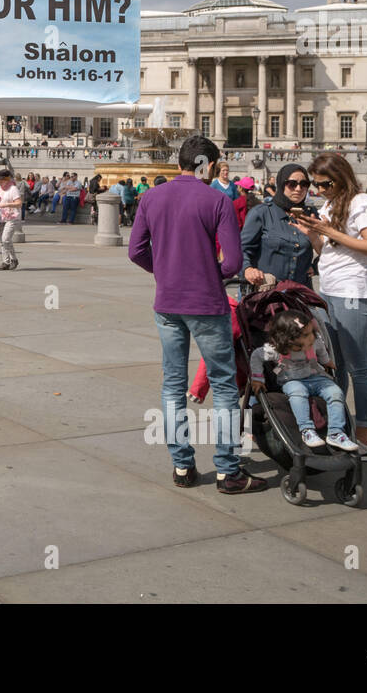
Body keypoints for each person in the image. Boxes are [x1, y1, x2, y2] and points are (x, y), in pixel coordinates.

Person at [127, 134, 265, 494]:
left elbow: (135, 251)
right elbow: (233, 261)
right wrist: (207, 272)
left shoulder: (152, 196)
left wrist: (165, 271)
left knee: (173, 385)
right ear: (209, 166)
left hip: (168, 303)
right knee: (221, 385)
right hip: (207, 303)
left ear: (180, 164)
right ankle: (228, 471)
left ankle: (182, 466)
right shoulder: (217, 200)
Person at [291, 152, 367, 461]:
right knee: (337, 365)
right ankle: (338, 428)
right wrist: (313, 235)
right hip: (331, 289)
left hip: (354, 292)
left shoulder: (362, 203)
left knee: (359, 367)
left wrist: (330, 231)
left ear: (340, 177)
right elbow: (329, 250)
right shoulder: (331, 205)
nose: (317, 190)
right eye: (314, 184)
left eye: (322, 183)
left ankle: (365, 439)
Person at [249, 310, 358, 451]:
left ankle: (336, 432)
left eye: (312, 332)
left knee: (336, 392)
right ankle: (307, 430)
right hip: (292, 381)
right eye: (306, 335)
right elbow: (256, 356)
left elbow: (321, 351)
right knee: (297, 392)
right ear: (289, 339)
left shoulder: (314, 342)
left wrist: (326, 362)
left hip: (315, 377)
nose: (312, 337)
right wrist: (258, 378)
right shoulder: (276, 350)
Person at [241, 162, 318, 292]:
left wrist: (316, 267)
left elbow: (330, 248)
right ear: (282, 185)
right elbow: (242, 248)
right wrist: (248, 269)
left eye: (304, 184)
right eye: (292, 184)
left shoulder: (311, 214)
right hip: (268, 293)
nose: (298, 189)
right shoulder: (262, 213)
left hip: (300, 294)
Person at [0, 169, 21, 269]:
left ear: (7, 179)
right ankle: (6, 261)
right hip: (1, 216)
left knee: (6, 239)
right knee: (2, 241)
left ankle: (14, 259)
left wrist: (6, 204)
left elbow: (19, 203)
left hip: (12, 217)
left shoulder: (13, 189)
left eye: (1, 180)